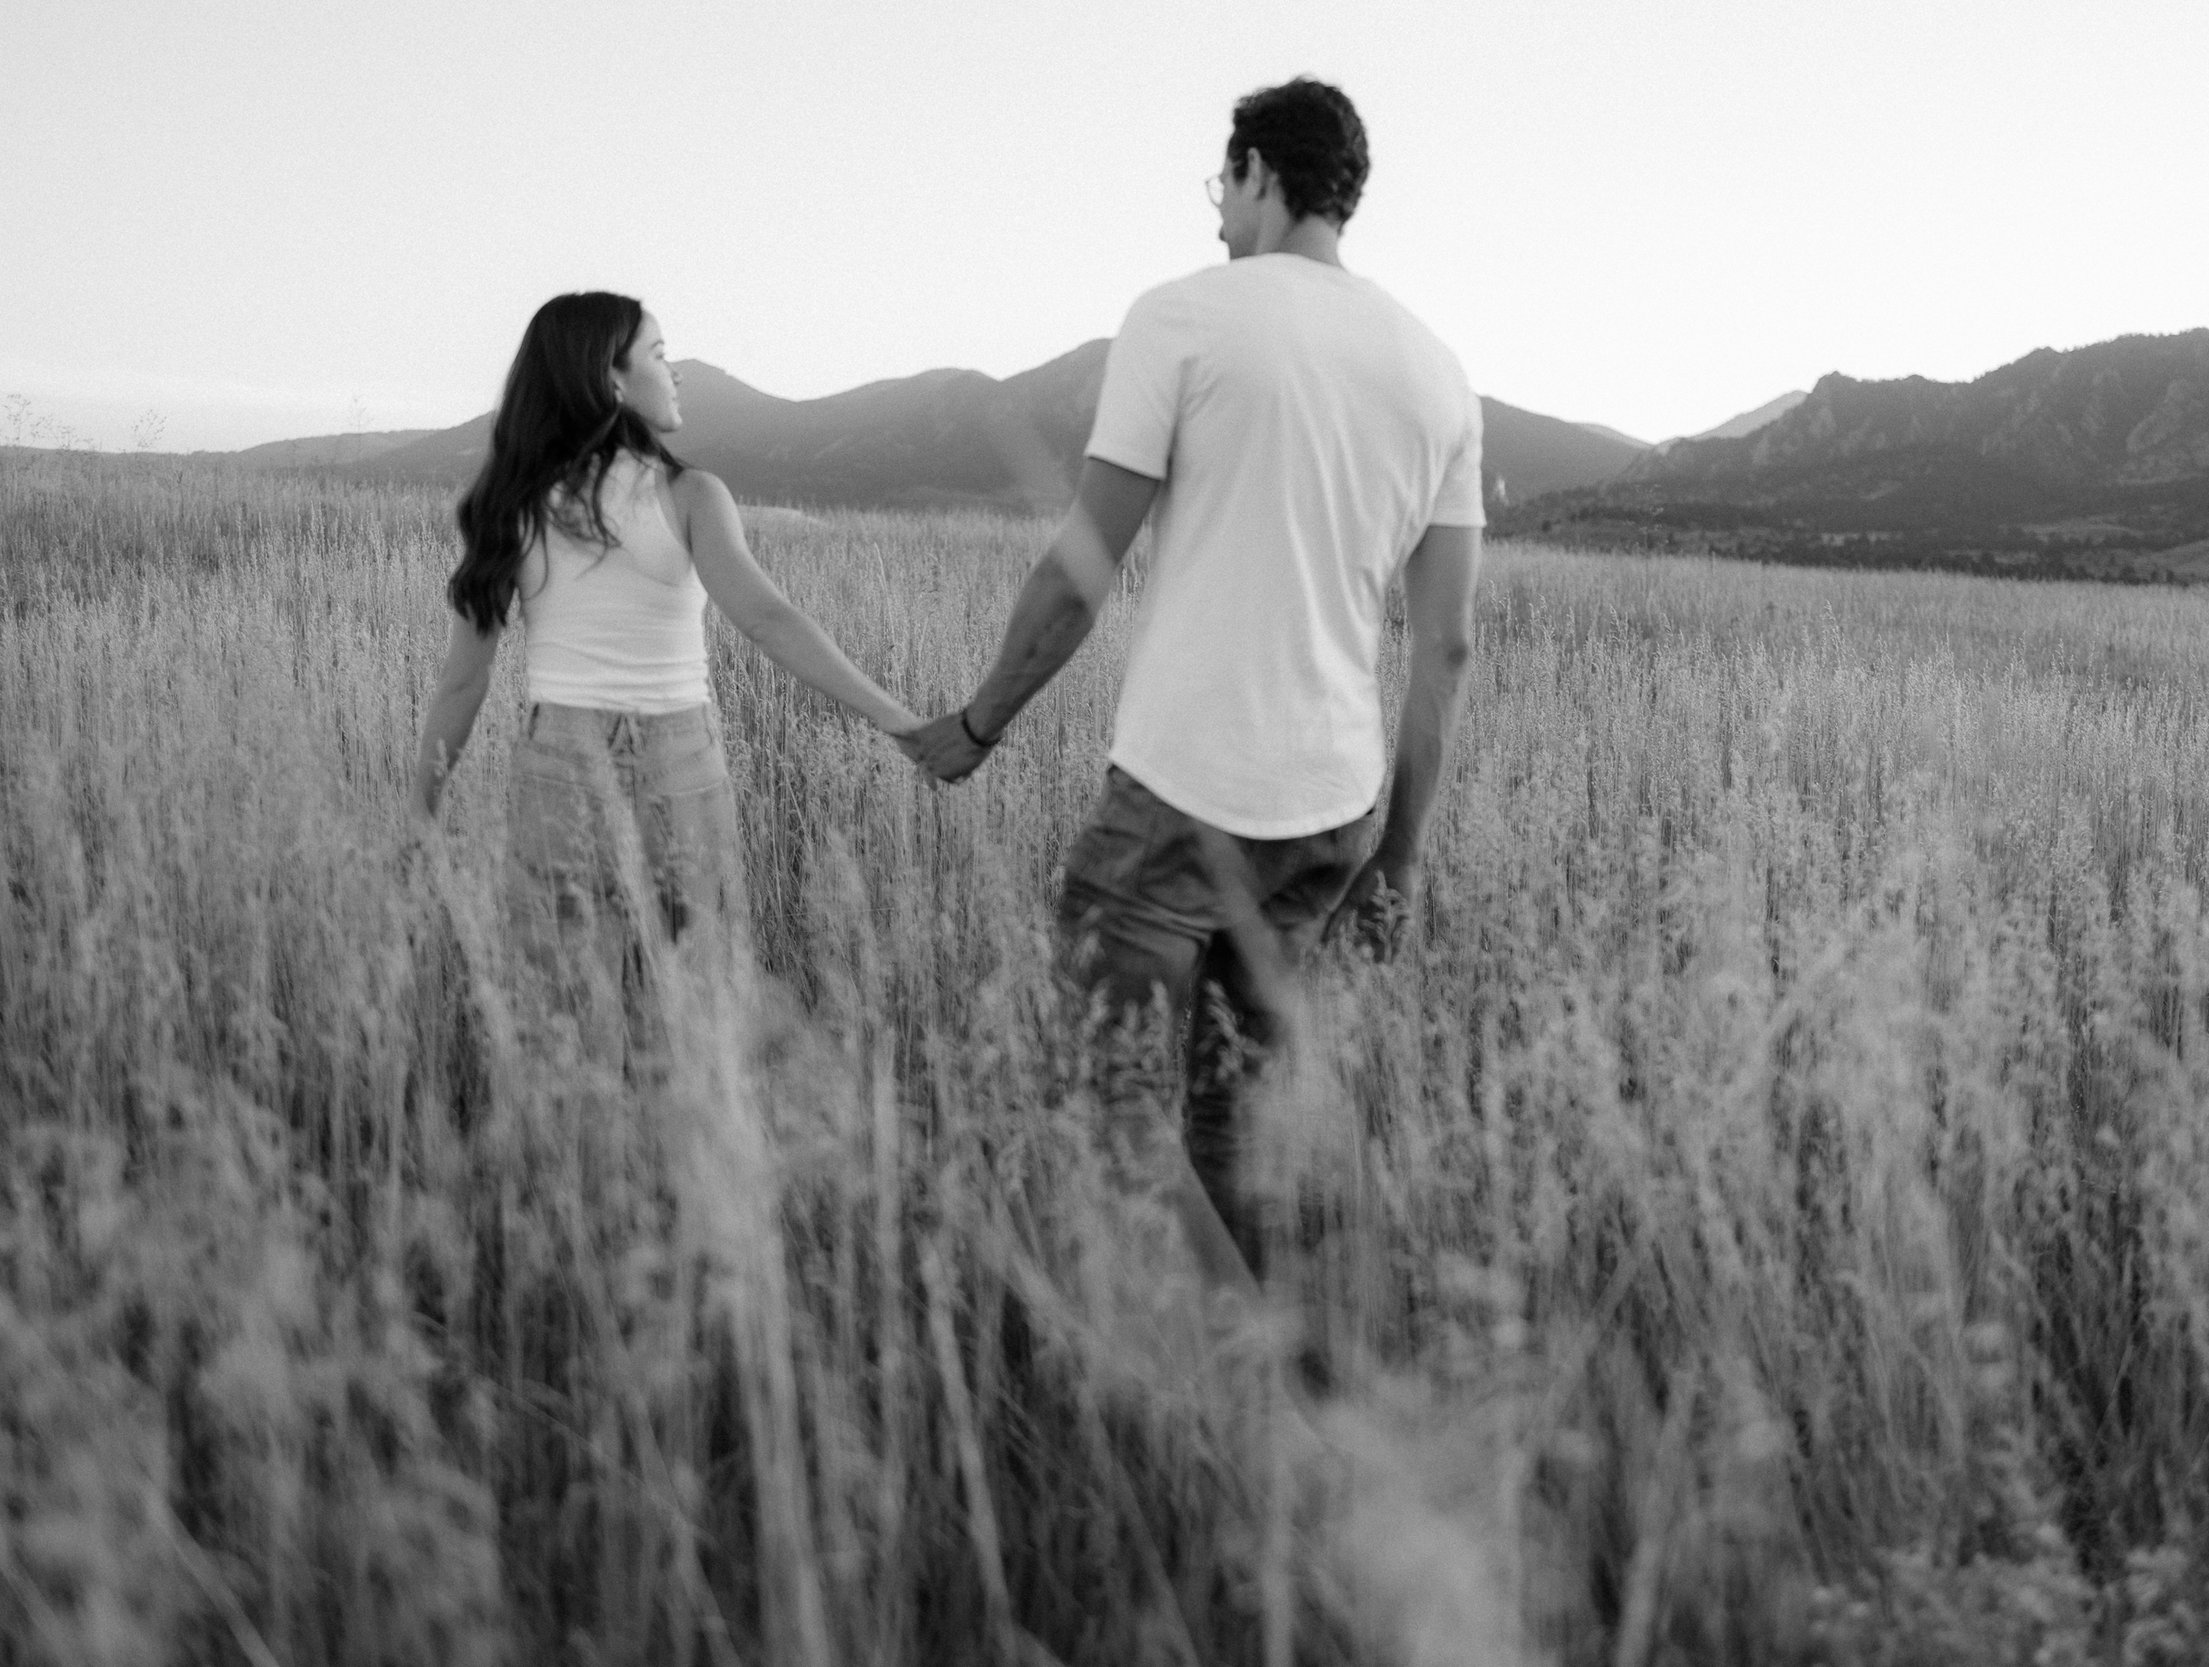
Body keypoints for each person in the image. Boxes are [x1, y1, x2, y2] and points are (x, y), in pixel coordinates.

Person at [902, 78, 1485, 1297]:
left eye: (1223, 188)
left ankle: (1253, 1395)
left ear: (1262, 174)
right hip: (1330, 810)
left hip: (1181, 792)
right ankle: (1255, 1417)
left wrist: (977, 723)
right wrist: (1402, 857)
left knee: (1107, 1109)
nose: (1218, 217)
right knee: (1229, 1126)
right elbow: (1444, 649)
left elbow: (1076, 577)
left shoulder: (1182, 317)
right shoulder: (1438, 376)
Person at [411, 291, 920, 1062]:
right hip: (679, 759)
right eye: (657, 353)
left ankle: (583, 1164)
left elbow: (462, 683)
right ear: (611, 381)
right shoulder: (689, 495)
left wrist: (419, 811)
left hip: (559, 764)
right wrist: (900, 720)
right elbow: (769, 619)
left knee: (564, 1015)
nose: (673, 369)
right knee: (699, 1006)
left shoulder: (509, 505)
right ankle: (691, 1161)